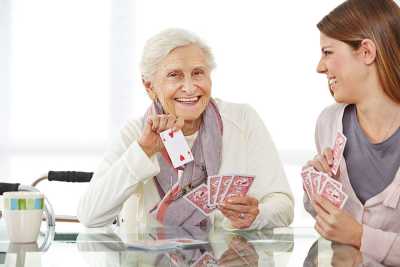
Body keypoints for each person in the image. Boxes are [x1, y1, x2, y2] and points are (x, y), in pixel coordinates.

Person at [78, 28, 293, 231]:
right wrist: (143, 151)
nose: (190, 88)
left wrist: (257, 215)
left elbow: (283, 205)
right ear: (149, 87)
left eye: (198, 73)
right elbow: (90, 216)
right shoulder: (135, 133)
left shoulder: (242, 120)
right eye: (175, 75)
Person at [303, 0, 400, 265]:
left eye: (328, 52)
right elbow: (330, 222)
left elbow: (352, 232)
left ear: (366, 52)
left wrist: (360, 236)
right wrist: (316, 187)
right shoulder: (328, 122)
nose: (320, 67)